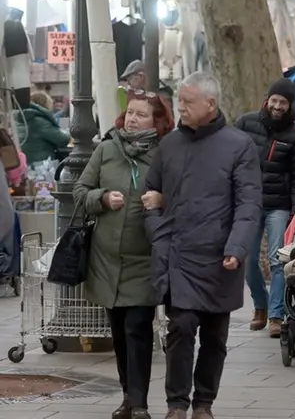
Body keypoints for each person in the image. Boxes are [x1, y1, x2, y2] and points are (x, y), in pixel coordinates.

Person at [143, 72, 262, 419]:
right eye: (179, 101)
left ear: (210, 104)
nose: (180, 107)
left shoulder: (238, 145)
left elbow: (249, 204)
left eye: (188, 102)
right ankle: (176, 404)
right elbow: (148, 199)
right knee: (180, 328)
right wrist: (159, 235)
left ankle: (204, 403)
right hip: (178, 255)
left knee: (215, 338)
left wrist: (236, 248)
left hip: (220, 257)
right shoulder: (168, 145)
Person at [73, 91, 174, 419]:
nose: (132, 119)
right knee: (120, 332)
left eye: (141, 115)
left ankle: (140, 403)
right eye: (129, 113)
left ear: (156, 121)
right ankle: (128, 399)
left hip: (143, 259)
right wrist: (101, 198)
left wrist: (161, 199)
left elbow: (181, 195)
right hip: (106, 260)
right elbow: (80, 190)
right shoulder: (106, 149)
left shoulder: (165, 154)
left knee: (138, 329)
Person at [234, 78, 295, 337]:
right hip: (249, 202)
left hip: (279, 205)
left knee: (278, 260)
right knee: (247, 259)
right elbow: (231, 159)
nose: (278, 106)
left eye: (283, 102)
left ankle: (276, 315)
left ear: (290, 106)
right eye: (274, 101)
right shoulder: (245, 124)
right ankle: (261, 304)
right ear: (267, 100)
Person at [14, 91, 70, 164]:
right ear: (45, 105)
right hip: (40, 167)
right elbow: (63, 140)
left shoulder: (21, 118)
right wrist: (68, 135)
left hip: (26, 164)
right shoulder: (38, 121)